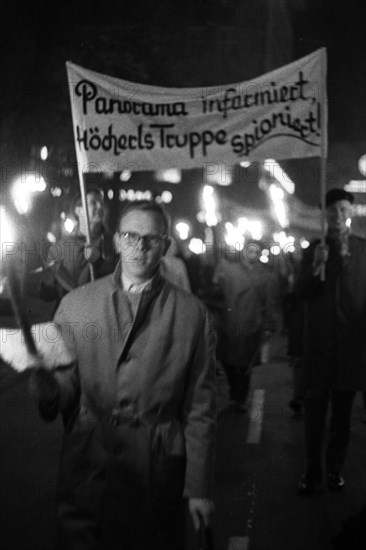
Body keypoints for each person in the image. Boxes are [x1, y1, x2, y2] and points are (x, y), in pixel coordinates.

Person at [29, 199, 217, 550]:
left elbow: (200, 409)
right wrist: (51, 389)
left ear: (165, 244)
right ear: (116, 241)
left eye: (151, 238)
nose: (139, 246)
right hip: (90, 463)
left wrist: (199, 489)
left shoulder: (193, 315)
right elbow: (67, 382)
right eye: (130, 235)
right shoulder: (77, 304)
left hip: (156, 470)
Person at [297, 188, 366, 495]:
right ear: (324, 215)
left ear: (350, 212)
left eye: (342, 209)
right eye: (331, 211)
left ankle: (334, 469)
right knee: (314, 414)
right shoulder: (315, 249)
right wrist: (315, 268)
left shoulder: (364, 250)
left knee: (342, 415)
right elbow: (300, 292)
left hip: (351, 350)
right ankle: (312, 470)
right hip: (319, 349)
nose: (338, 215)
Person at [213, 243, 276, 412]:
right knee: (227, 361)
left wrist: (269, 326)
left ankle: (238, 398)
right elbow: (215, 290)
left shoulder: (265, 275)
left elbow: (270, 303)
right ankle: (235, 394)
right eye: (250, 249)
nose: (252, 253)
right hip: (229, 323)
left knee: (243, 365)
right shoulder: (229, 270)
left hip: (250, 324)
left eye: (256, 250)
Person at [39, 188, 118, 311]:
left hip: (100, 315)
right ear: (78, 210)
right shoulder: (61, 247)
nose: (100, 207)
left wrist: (98, 263)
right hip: (67, 317)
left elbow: (120, 281)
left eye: (101, 203)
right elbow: (47, 297)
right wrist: (47, 282)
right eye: (93, 203)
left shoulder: (114, 243)